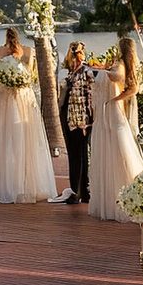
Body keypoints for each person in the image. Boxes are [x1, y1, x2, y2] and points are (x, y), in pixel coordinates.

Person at [0, 27, 56, 204]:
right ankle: (24, 183)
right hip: (23, 98)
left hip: (5, 99)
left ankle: (6, 182)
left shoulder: (0, 51)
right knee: (26, 140)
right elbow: (30, 75)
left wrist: (6, 81)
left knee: (5, 140)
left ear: (6, 37)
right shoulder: (29, 51)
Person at [88, 36, 143, 222]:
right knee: (109, 154)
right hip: (107, 113)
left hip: (113, 113)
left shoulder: (121, 66)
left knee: (122, 152)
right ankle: (111, 199)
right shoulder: (118, 63)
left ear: (122, 48)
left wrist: (115, 99)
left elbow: (130, 87)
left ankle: (132, 195)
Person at [57, 41, 95, 205]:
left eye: (76, 53)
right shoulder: (71, 74)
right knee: (74, 155)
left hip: (81, 120)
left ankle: (80, 190)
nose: (74, 56)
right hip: (69, 117)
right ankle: (78, 190)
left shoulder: (87, 72)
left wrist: (88, 120)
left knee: (80, 155)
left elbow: (91, 97)